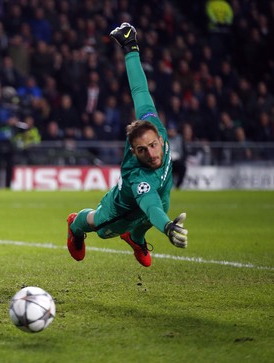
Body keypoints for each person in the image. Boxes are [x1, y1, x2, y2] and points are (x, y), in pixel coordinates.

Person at [66, 23, 188, 267]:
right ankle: (74, 226)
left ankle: (135, 238)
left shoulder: (154, 125)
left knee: (155, 212)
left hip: (161, 191)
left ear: (161, 138)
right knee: (98, 225)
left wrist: (131, 48)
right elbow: (150, 205)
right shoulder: (138, 176)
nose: (152, 154)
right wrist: (166, 226)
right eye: (142, 150)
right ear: (134, 151)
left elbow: (139, 89)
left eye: (154, 145)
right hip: (121, 209)